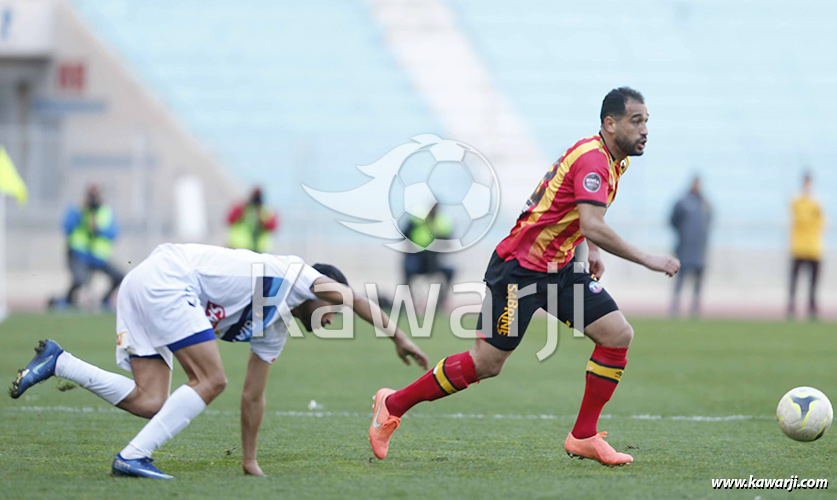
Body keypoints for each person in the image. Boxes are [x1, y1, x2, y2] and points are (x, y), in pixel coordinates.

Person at [368, 87, 680, 466]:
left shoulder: (613, 160)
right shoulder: (594, 161)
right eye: (637, 121)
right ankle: (393, 403)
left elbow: (576, 212)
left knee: (617, 334)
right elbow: (591, 223)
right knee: (486, 364)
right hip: (521, 271)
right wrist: (646, 258)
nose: (645, 129)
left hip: (559, 268)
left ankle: (583, 435)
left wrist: (592, 250)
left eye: (647, 121)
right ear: (610, 124)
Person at [11, 243, 429, 479]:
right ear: (323, 290)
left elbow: (253, 397)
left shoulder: (277, 325)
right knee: (211, 379)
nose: (333, 314)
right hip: (166, 281)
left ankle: (59, 362)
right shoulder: (296, 274)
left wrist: (249, 461)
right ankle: (133, 457)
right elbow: (354, 298)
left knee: (150, 401)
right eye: (330, 305)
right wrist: (400, 337)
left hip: (146, 284)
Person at [54, 183, 124, 309]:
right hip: (79, 254)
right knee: (81, 279)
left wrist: (98, 229)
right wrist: (81, 213)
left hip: (98, 257)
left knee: (121, 277)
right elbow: (67, 227)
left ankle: (105, 300)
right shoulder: (78, 209)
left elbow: (114, 233)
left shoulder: (105, 211)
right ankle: (68, 300)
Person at [669, 176, 712, 317]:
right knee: (680, 279)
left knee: (698, 282)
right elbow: (673, 221)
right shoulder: (682, 203)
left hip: (700, 249)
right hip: (684, 248)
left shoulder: (705, 204)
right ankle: (675, 307)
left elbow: (710, 222)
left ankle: (695, 308)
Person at [401, 204, 456, 307]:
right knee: (407, 268)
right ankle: (408, 300)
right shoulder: (417, 219)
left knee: (450, 271)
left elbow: (449, 242)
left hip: (433, 260)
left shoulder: (442, 222)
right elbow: (404, 235)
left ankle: (441, 301)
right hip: (417, 257)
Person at [787, 173, 825, 320]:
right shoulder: (797, 202)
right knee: (794, 279)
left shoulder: (817, 203)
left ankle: (812, 307)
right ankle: (791, 306)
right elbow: (800, 219)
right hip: (799, 246)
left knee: (813, 281)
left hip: (814, 247)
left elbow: (821, 222)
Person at [227, 187, 280, 253]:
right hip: (240, 248)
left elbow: (272, 226)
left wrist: (261, 216)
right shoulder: (242, 208)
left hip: (260, 250)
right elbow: (230, 220)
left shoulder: (265, 211)